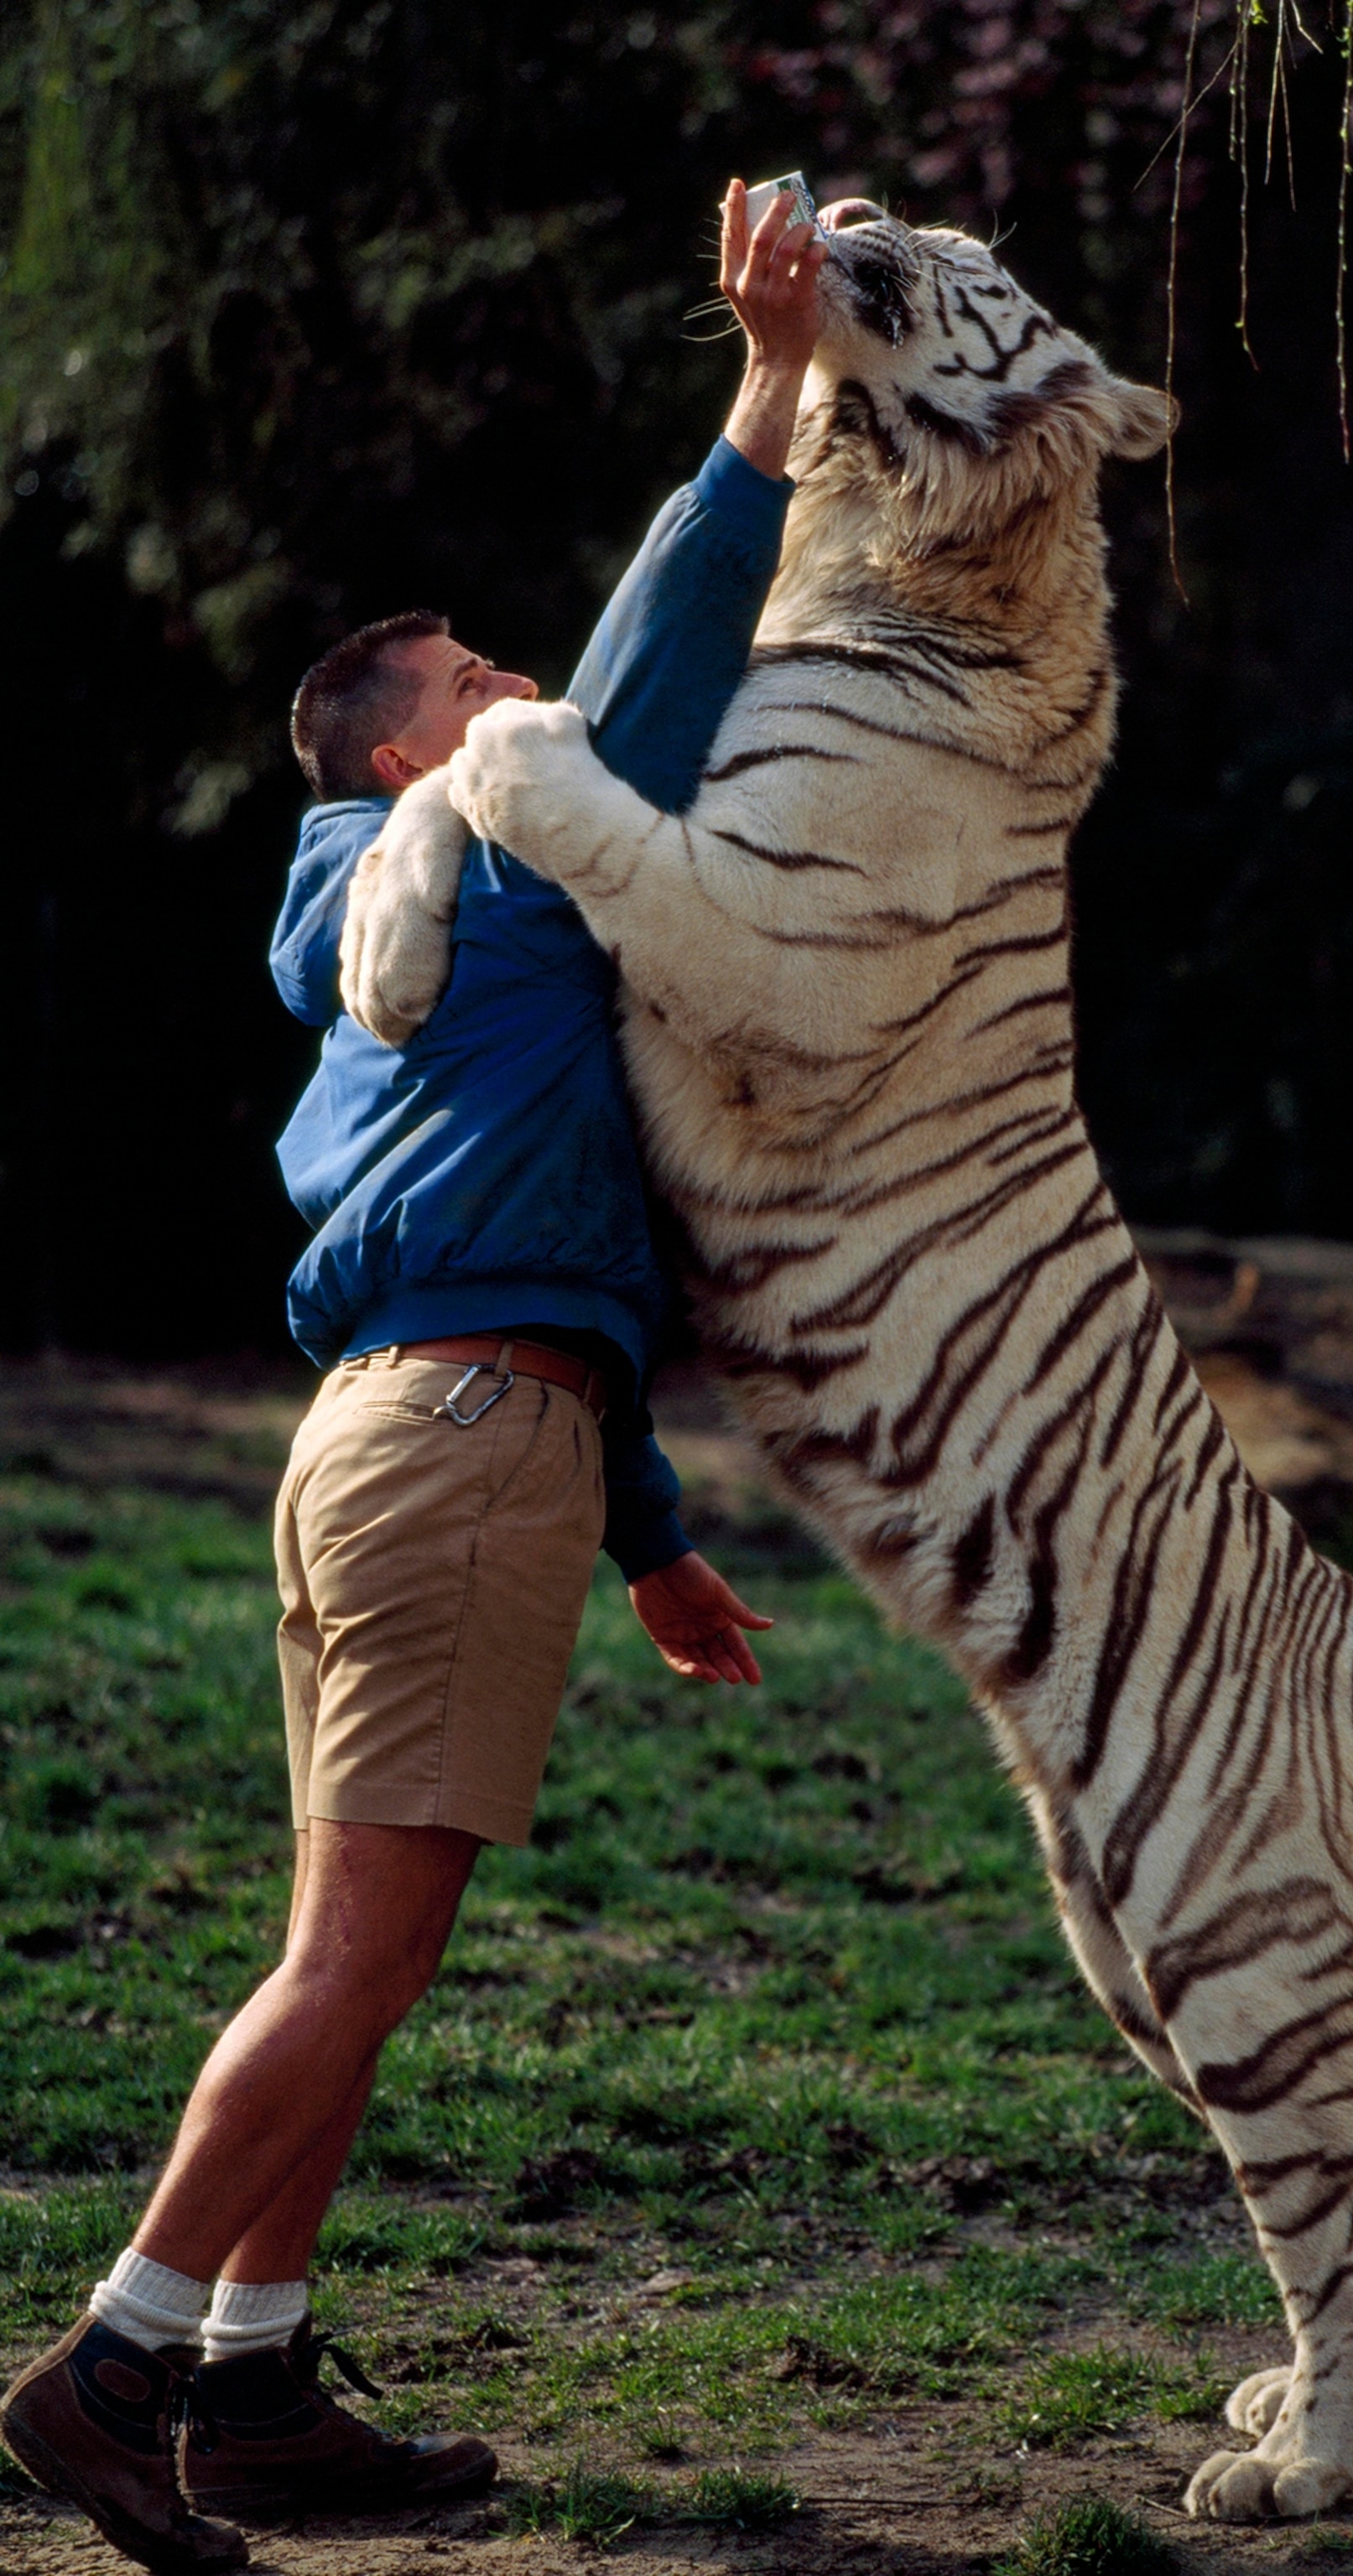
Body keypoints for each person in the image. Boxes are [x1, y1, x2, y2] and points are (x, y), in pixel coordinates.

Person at [2, 183, 826, 2576]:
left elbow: (530, 1253)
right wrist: (767, 387)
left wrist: (655, 1540)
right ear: (397, 755)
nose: (522, 706)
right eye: (479, 688)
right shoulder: (492, 866)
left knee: (338, 1959)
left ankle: (254, 2394)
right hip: (455, 1450)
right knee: (360, 1958)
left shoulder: (387, 976)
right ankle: (115, 2368)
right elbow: (656, 663)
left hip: (394, 1438)